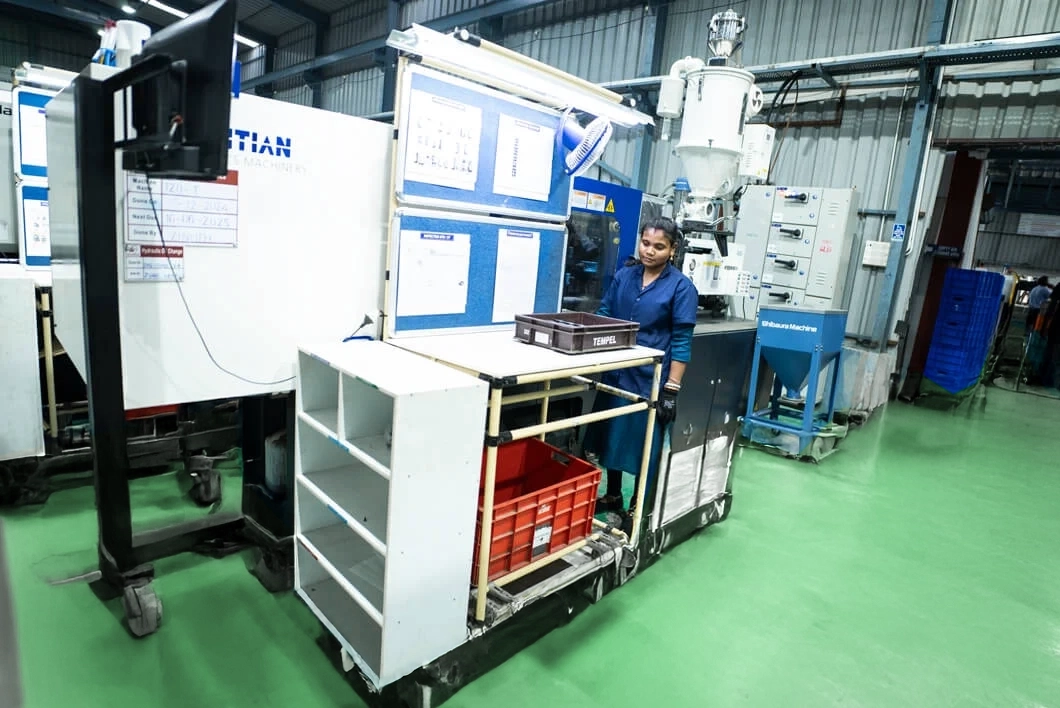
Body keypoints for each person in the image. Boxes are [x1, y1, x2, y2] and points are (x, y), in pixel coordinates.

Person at [583, 217, 698, 527]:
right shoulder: (625, 276)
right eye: (646, 243)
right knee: (610, 436)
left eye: (659, 247)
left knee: (643, 445)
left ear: (673, 250)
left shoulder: (681, 288)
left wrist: (672, 389)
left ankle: (640, 504)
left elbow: (682, 341)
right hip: (617, 372)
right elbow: (605, 314)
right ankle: (614, 494)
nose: (649, 251)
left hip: (650, 380)